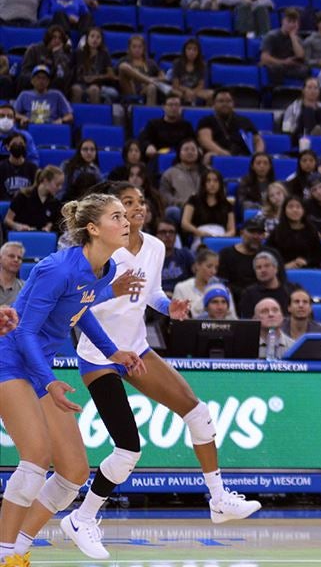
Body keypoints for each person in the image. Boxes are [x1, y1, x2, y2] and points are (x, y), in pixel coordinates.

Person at [63, 183, 261, 559]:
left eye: (140, 203)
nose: (136, 209)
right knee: (127, 451)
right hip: (99, 355)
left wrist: (169, 306)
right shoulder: (96, 252)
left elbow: (151, 292)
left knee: (199, 414)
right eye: (126, 205)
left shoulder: (154, 246)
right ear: (110, 214)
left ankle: (218, 499)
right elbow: (76, 307)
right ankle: (82, 517)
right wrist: (112, 291)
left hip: (137, 349)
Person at [0, 194, 146, 564]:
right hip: (12, 362)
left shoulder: (107, 269)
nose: (127, 220)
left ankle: (19, 547)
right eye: (117, 216)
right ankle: (3, 554)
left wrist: (112, 351)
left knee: (74, 472)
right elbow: (24, 333)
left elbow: (79, 310)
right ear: (93, 229)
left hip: (39, 367)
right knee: (35, 458)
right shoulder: (57, 269)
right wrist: (49, 381)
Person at [197, 90, 265, 158]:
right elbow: (205, 140)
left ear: (233, 103)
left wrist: (258, 154)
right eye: (221, 101)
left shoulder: (244, 120)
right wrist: (223, 153)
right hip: (218, 156)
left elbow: (258, 140)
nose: (225, 104)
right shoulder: (206, 121)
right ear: (214, 104)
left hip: (243, 156)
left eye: (228, 101)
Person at [266, 197, 321, 270]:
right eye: (290, 207)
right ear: (284, 210)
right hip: (283, 270)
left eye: (298, 207)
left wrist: (306, 262)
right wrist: (285, 265)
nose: (295, 210)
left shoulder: (311, 230)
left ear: (303, 210)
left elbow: (319, 257)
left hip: (308, 270)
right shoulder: (277, 231)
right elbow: (269, 254)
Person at [180, 168, 235, 242]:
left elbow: (232, 230)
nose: (212, 184)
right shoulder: (194, 200)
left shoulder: (227, 204)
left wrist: (223, 237)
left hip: (221, 237)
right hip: (200, 236)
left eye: (215, 181)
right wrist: (199, 232)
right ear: (203, 184)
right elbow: (185, 223)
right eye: (208, 181)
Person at [260, 8, 308, 83]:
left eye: (294, 22)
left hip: (290, 67)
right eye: (289, 21)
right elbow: (264, 58)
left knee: (305, 70)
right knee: (277, 68)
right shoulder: (271, 36)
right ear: (283, 21)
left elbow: (300, 56)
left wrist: (293, 37)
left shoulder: (297, 38)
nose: (291, 25)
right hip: (275, 64)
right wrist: (283, 62)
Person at [238, 251, 291, 319]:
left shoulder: (290, 290)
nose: (263, 270)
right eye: (259, 267)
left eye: (267, 266)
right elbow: (248, 322)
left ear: (276, 268)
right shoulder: (249, 294)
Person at [141, 97, 196, 161]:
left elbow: (193, 141)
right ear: (164, 107)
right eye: (170, 105)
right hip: (158, 159)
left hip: (181, 160)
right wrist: (148, 146)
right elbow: (144, 139)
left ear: (180, 108)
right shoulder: (153, 124)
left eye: (176, 105)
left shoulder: (187, 125)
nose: (174, 108)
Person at [0, 241, 25, 307]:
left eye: (19, 258)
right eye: (11, 256)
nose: (16, 260)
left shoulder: (25, 287)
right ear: (0, 258)